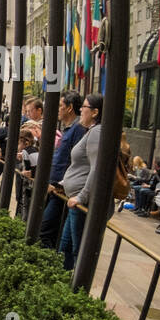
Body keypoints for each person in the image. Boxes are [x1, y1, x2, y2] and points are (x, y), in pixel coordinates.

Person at [58, 92, 103, 271]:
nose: (81, 110)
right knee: (66, 246)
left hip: (80, 201)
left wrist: (81, 197)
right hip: (74, 200)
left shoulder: (97, 132)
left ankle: (75, 290)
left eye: (84, 107)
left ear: (94, 112)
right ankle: (63, 283)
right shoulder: (91, 131)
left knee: (77, 250)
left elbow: (96, 167)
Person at [39, 90, 86, 248]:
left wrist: (60, 185)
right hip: (54, 189)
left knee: (45, 231)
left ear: (69, 108)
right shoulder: (69, 129)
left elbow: (77, 163)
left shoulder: (78, 129)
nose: (57, 109)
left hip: (62, 191)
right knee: (48, 231)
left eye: (60, 105)